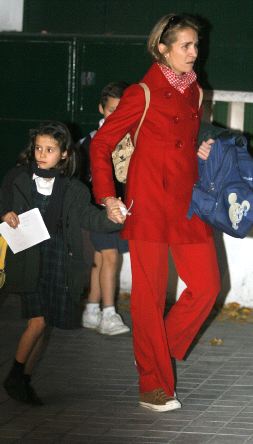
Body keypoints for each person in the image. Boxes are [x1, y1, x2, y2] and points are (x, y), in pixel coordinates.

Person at [90, 14, 221, 412]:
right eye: (186, 45)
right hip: (147, 204)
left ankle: (155, 347)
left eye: (196, 45)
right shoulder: (142, 92)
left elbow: (187, 143)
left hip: (188, 205)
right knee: (147, 298)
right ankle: (152, 384)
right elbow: (101, 145)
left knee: (208, 287)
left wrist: (203, 150)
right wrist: (108, 197)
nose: (194, 53)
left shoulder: (195, 90)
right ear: (162, 48)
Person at [0, 121, 123, 406]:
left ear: (65, 154)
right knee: (38, 320)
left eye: (51, 149)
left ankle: (24, 380)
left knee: (47, 322)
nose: (42, 154)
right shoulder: (18, 177)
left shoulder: (74, 189)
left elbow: (89, 218)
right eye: (39, 148)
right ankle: (16, 375)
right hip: (29, 258)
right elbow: (3, 201)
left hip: (57, 257)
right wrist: (6, 213)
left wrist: (111, 219)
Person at [79, 82, 130, 335]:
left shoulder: (131, 141)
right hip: (99, 210)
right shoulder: (89, 142)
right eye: (112, 110)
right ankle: (109, 313)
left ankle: (91, 309)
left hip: (123, 210)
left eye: (123, 110)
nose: (117, 116)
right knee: (110, 257)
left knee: (101, 260)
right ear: (101, 109)